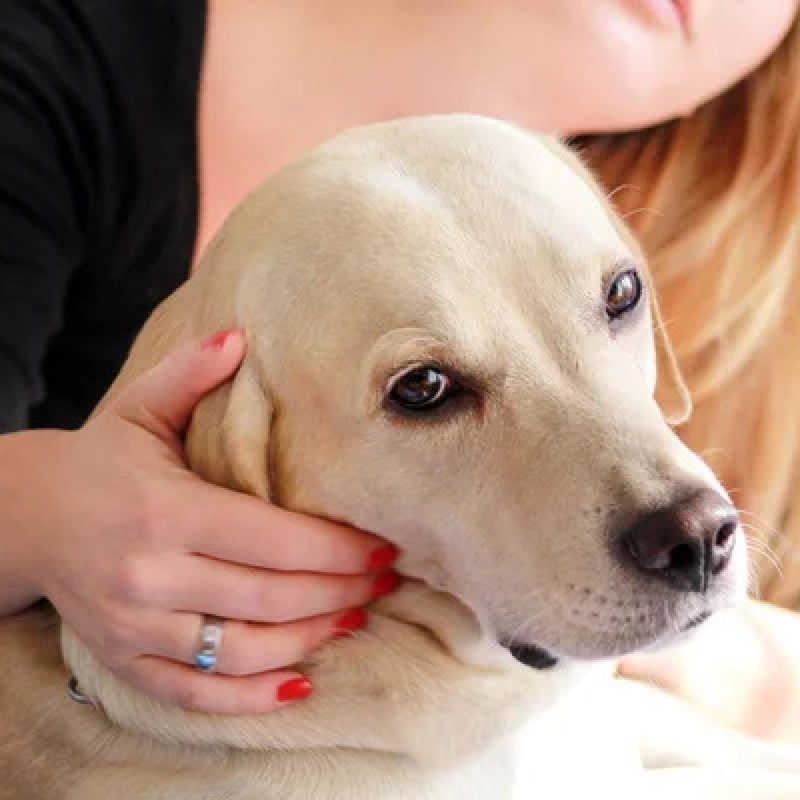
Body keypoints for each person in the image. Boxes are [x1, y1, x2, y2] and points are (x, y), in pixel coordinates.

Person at [1, 0, 799, 734]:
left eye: (620, 300)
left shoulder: (740, 257)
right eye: (426, 387)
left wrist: (725, 658)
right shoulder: (46, 61)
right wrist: (40, 511)